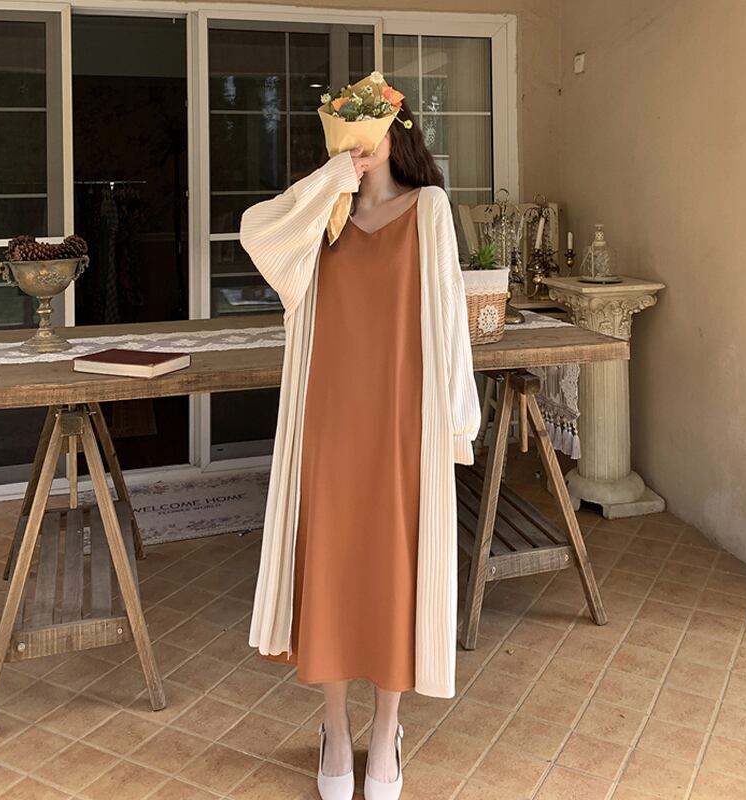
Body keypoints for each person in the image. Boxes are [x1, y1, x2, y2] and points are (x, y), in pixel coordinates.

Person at [239, 95, 481, 800]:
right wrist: (332, 180)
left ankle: (388, 730)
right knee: (334, 567)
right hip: (329, 418)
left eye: (369, 126)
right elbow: (257, 233)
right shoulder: (323, 216)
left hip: (403, 420)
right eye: (346, 128)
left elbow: (450, 320)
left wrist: (456, 423)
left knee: (393, 572)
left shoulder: (428, 209)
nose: (359, 140)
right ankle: (335, 727)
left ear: (395, 132)